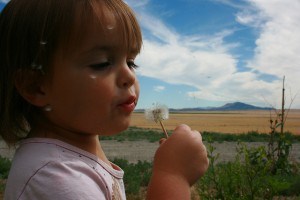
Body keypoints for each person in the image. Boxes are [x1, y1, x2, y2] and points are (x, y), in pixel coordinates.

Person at [0, 0, 209, 199]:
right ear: (35, 86)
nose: (129, 76)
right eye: (101, 63)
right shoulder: (56, 180)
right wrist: (173, 176)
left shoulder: (68, 161)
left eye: (130, 62)